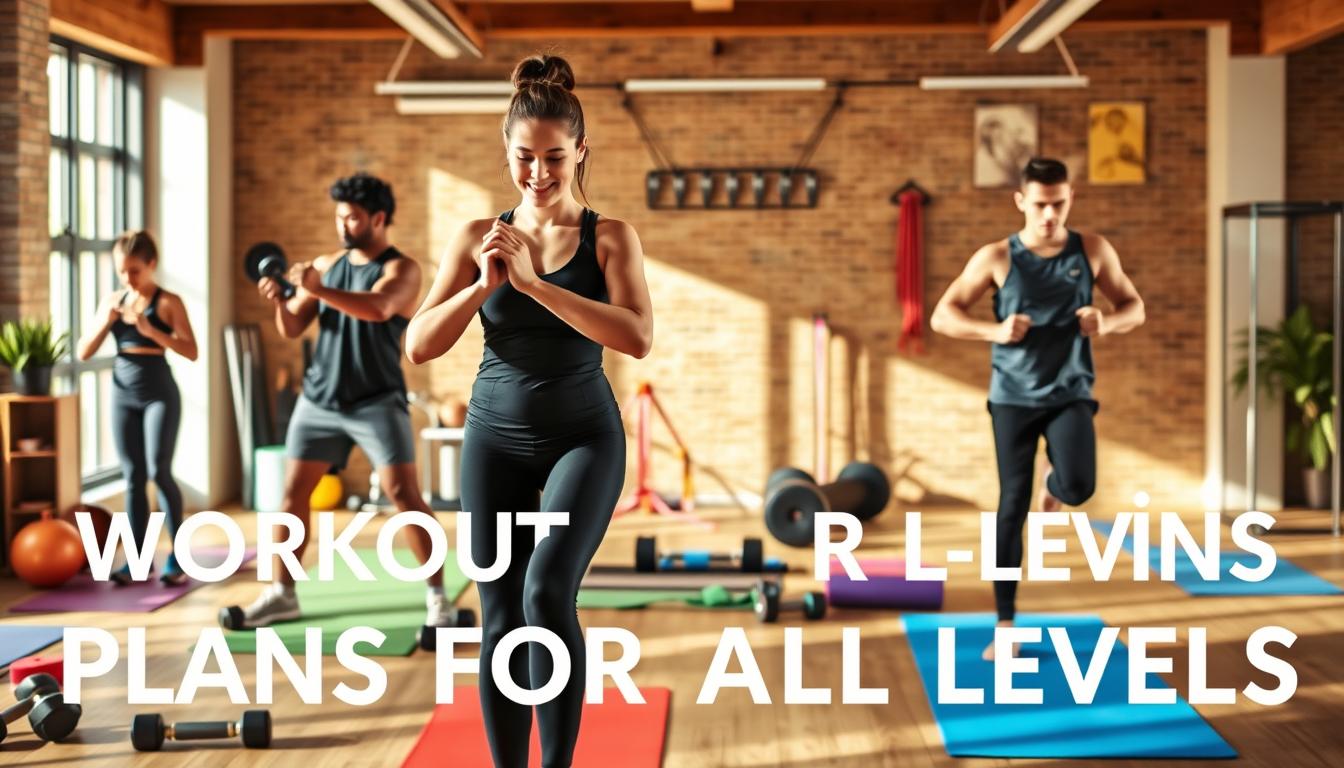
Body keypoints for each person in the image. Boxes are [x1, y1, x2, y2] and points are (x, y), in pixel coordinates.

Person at [405, 54, 653, 768]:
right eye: (524, 158)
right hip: (495, 441)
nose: (538, 173)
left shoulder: (611, 237)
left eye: (553, 157)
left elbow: (636, 337)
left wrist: (536, 285)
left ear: (580, 151)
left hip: (585, 439)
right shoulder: (479, 235)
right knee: (502, 611)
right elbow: (420, 344)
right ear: (506, 154)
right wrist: (485, 285)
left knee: (547, 593)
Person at [929, 157, 1145, 660]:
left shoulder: (1092, 250)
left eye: (1059, 203)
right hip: (1013, 397)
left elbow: (1135, 306)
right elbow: (943, 315)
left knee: (1078, 487)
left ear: (1070, 199)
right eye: (1041, 204)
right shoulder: (996, 258)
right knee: (1010, 505)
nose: (1050, 214)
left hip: (1070, 391)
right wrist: (993, 331)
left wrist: (1106, 323)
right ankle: (1005, 624)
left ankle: (1055, 483)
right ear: (1021, 201)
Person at [219, 173, 452, 631]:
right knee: (291, 495)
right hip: (319, 400)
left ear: (379, 219)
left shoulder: (402, 270)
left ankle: (438, 598)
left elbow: (380, 308)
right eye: (339, 217)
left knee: (404, 495)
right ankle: (282, 594)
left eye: (352, 217)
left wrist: (317, 287)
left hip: (377, 401)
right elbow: (292, 327)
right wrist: (281, 301)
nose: (342, 225)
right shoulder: (327, 264)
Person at [77, 230, 198, 586]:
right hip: (122, 393)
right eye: (122, 271)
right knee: (132, 477)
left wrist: (148, 328)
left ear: (151, 265)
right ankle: (138, 560)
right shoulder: (112, 301)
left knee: (159, 471)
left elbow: (191, 351)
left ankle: (177, 558)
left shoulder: (168, 302)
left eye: (134, 271)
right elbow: (84, 351)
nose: (128, 278)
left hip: (159, 391)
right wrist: (107, 322)